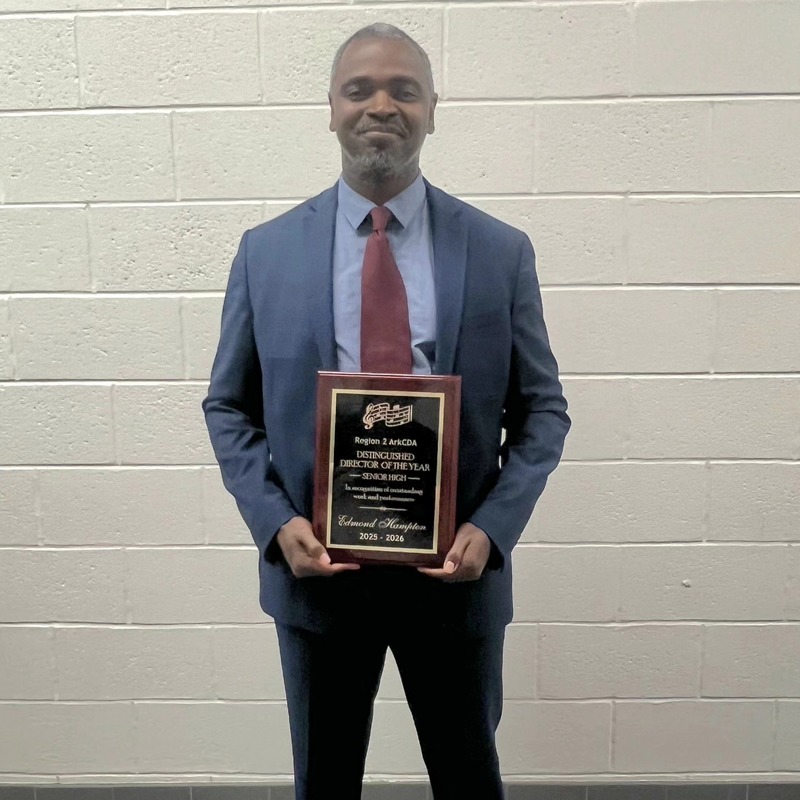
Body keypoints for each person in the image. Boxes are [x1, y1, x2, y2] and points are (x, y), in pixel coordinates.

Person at [203, 23, 570, 800]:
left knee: (469, 779)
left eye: (404, 89)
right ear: (330, 110)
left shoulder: (501, 252)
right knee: (326, 782)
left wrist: (491, 529)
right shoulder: (264, 251)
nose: (381, 105)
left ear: (433, 110)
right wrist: (274, 523)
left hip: (455, 580)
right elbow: (228, 407)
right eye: (359, 89)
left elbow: (543, 413)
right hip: (318, 577)